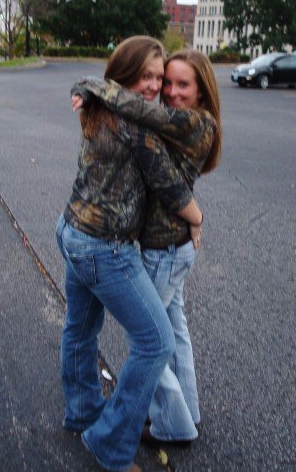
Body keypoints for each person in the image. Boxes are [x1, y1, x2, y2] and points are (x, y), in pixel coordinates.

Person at [56, 36, 204, 472]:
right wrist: (197, 219)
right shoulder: (136, 126)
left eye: (159, 77)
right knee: (156, 342)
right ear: (124, 74)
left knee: (80, 329)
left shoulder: (99, 109)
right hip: (105, 247)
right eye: (146, 76)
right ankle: (110, 444)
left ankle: (84, 412)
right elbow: (170, 186)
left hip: (71, 230)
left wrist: (87, 86)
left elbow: (98, 87)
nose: (155, 86)